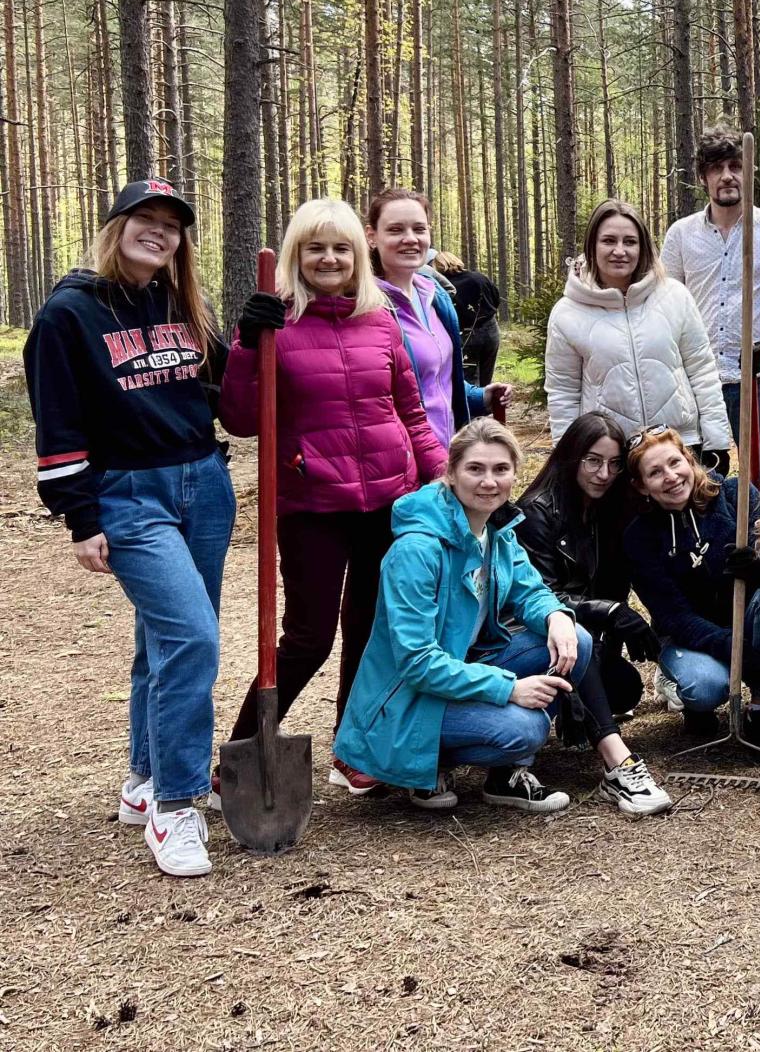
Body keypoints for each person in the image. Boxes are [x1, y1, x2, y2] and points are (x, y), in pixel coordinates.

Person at [27, 179, 235, 878]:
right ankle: (178, 805)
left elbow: (227, 396)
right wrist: (79, 517)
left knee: (163, 640)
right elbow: (57, 423)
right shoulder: (69, 314)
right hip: (128, 496)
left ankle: (143, 783)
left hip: (203, 484)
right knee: (193, 636)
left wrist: (257, 336)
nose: (158, 233)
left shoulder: (183, 307)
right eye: (143, 220)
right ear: (114, 227)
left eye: (172, 226)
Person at [218, 198, 447, 797]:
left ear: (358, 255)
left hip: (387, 501)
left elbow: (412, 413)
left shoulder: (380, 319)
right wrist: (247, 343)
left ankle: (353, 748)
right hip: (312, 503)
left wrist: (443, 480)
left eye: (341, 247)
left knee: (371, 630)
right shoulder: (278, 322)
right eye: (316, 247)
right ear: (297, 253)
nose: (329, 258)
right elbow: (242, 419)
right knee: (309, 637)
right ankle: (241, 756)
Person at [336, 419, 671, 815]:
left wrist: (556, 617)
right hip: (408, 699)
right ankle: (428, 765)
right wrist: (508, 688)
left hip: (461, 672)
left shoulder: (496, 529)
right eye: (475, 469)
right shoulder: (416, 552)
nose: (488, 482)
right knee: (525, 729)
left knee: (575, 640)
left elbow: (530, 590)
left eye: (500, 470)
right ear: (451, 472)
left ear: (514, 473)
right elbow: (417, 663)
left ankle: (526, 774)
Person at [660, 128, 760, 485]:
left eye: (736, 166)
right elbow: (666, 303)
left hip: (756, 376)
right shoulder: (680, 234)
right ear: (703, 177)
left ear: (749, 172)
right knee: (696, 472)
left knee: (759, 476)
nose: (727, 175)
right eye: (717, 168)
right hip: (697, 374)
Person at [624, 427, 760, 750]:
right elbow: (674, 618)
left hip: (748, 620)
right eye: (655, 472)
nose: (670, 476)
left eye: (674, 463)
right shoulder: (639, 537)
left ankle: (759, 708)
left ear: (689, 459)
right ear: (641, 486)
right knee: (705, 687)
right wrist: (735, 647)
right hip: (689, 638)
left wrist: (759, 565)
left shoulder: (735, 496)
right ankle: (697, 704)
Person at [545, 198, 733, 457]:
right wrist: (567, 456)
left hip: (679, 447)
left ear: (643, 247)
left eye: (630, 242)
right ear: (592, 245)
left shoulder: (675, 296)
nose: (620, 250)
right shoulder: (567, 313)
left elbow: (701, 369)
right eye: (609, 241)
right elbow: (563, 392)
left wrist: (717, 440)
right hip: (611, 455)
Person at [515, 412, 655, 726]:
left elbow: (614, 585)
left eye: (614, 463)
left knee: (624, 689)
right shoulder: (537, 511)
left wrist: (613, 639)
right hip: (542, 637)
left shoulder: (610, 507)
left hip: (590, 637)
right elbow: (541, 597)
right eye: (593, 460)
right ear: (572, 456)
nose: (604, 474)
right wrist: (612, 612)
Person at [367, 189, 510, 435]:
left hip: (444, 454)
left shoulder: (434, 297)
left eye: (419, 229)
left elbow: (439, 379)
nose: (410, 238)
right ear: (371, 236)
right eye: (396, 230)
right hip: (399, 460)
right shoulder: (362, 307)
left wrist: (481, 397)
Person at [434, 251, 503, 388]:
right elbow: (496, 298)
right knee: (486, 375)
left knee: (470, 378)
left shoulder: (445, 287)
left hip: (467, 333)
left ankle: (475, 407)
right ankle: (486, 405)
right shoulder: (479, 277)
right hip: (491, 329)